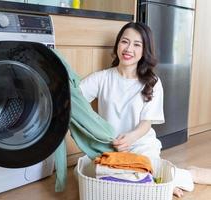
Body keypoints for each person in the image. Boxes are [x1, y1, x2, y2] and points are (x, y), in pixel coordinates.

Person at [79, 22, 211, 198]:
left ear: (144, 51)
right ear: (118, 44)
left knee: (144, 173)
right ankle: (160, 180)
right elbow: (75, 99)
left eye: (137, 44)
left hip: (141, 145)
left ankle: (188, 174)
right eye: (124, 41)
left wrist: (131, 138)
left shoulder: (152, 82)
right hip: (110, 148)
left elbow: (146, 123)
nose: (128, 49)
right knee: (88, 173)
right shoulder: (102, 78)